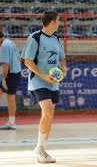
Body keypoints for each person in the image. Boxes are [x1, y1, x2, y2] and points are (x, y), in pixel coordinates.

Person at [21, 10, 67, 163]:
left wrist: (64, 69)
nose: (59, 23)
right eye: (58, 20)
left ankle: (42, 148)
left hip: (53, 82)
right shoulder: (35, 38)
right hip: (39, 81)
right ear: (53, 22)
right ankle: (39, 148)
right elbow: (27, 61)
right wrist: (43, 75)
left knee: (49, 115)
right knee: (47, 112)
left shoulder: (56, 38)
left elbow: (62, 58)